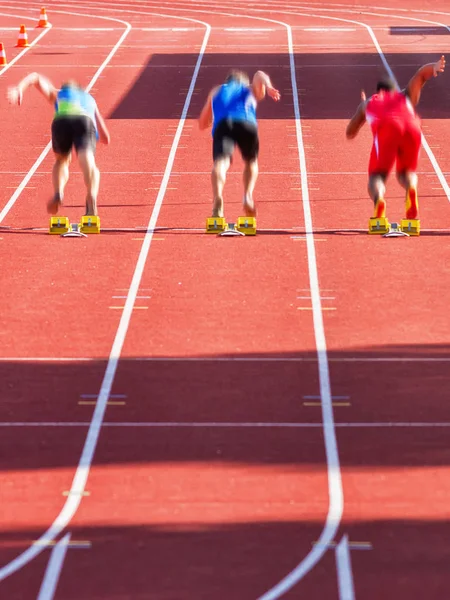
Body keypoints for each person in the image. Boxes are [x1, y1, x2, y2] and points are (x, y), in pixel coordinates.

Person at [346, 55, 446, 226]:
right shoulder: (405, 96)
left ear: (378, 92)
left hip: (387, 130)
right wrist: (434, 67)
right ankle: (411, 188)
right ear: (394, 91)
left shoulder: (370, 102)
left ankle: (379, 201)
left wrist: (361, 110)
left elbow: (350, 132)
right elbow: (420, 76)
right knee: (406, 172)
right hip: (412, 128)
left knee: (377, 175)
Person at [7, 73, 110, 216]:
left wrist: (20, 88)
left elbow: (35, 77)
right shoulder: (90, 99)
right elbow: (106, 137)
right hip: (84, 120)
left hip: (61, 120)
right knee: (88, 159)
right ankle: (91, 195)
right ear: (80, 89)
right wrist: (93, 138)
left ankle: (58, 192)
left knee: (61, 160)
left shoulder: (58, 94)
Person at [199, 69, 280, 218]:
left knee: (221, 163)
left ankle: (217, 199)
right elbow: (259, 74)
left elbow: (203, 123)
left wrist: (212, 119)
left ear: (227, 82)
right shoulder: (248, 88)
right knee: (251, 162)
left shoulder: (216, 91)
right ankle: (247, 195)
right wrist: (268, 87)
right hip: (247, 123)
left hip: (223, 126)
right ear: (244, 82)